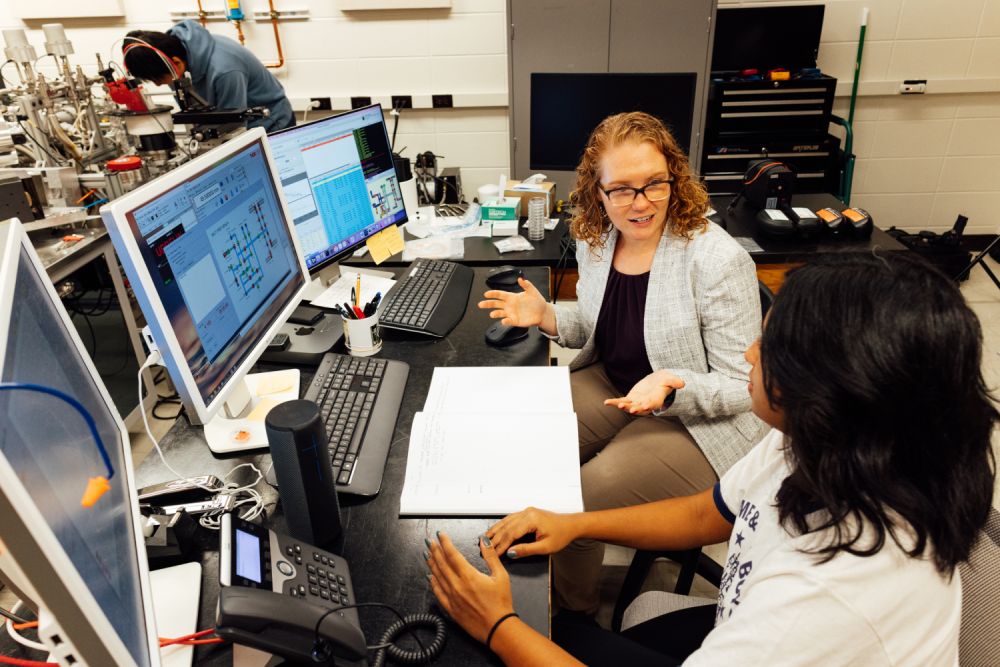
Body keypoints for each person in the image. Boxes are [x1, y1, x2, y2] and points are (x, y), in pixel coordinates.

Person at [430, 252, 998, 665]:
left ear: (835, 388)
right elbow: (714, 511)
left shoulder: (825, 602)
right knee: (561, 636)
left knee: (524, 642)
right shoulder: (824, 439)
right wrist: (573, 523)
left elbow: (793, 622)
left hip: (773, 631)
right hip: (739, 617)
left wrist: (498, 625)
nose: (749, 353)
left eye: (769, 348)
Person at [478, 111, 768, 613]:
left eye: (654, 184)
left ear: (674, 178)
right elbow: (601, 326)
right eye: (622, 190)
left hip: (702, 420)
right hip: (616, 382)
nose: (641, 203)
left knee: (579, 496)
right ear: (598, 191)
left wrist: (673, 388)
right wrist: (547, 316)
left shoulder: (716, 260)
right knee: (528, 442)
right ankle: (538, 580)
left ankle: (573, 618)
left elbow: (743, 385)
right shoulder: (597, 239)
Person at [121, 20, 294, 132]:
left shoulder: (225, 70)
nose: (158, 85)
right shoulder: (169, 58)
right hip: (236, 123)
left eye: (158, 80)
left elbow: (233, 124)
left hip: (271, 124)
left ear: (177, 62)